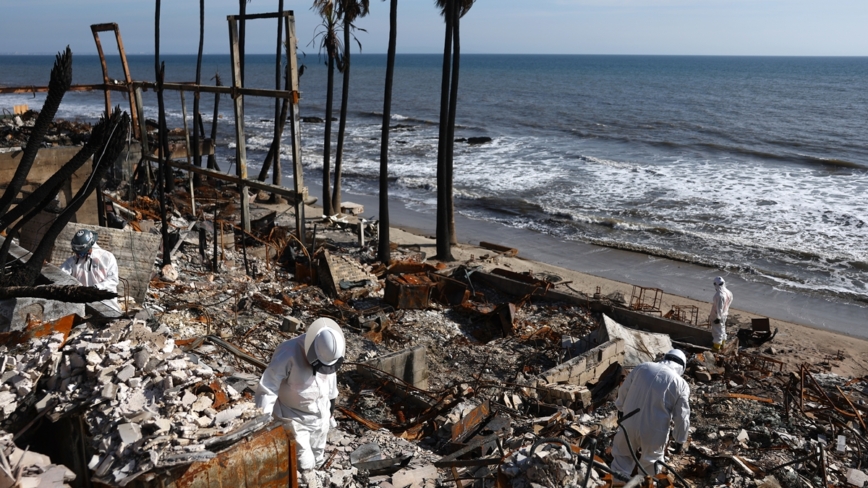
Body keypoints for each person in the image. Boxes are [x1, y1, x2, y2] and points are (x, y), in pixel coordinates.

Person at [255, 318, 345, 486]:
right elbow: (268, 386)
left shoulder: (330, 353)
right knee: (305, 464)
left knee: (318, 458)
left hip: (320, 415)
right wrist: (262, 422)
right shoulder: (288, 352)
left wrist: (331, 407)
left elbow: (331, 382)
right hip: (294, 417)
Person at [612, 349, 690, 478]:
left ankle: (617, 484)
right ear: (682, 367)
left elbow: (624, 389)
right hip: (654, 431)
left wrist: (620, 408)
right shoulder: (680, 384)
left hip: (629, 423)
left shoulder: (643, 367)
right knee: (650, 468)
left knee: (621, 459)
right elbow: (682, 416)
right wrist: (680, 439)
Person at [60, 229, 120, 311]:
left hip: (105, 304)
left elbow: (113, 280)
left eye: (80, 253)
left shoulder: (107, 257)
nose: (78, 255)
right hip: (81, 303)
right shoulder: (72, 261)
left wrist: (95, 288)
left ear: (90, 246)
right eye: (76, 253)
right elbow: (61, 275)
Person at [709, 276, 734, 351]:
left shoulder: (719, 295)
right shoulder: (729, 292)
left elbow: (719, 307)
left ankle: (716, 347)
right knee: (722, 329)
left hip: (718, 315)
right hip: (725, 314)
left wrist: (718, 317)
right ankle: (723, 343)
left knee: (717, 331)